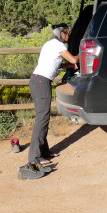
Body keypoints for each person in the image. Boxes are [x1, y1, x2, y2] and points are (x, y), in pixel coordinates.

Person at [18, 23, 79, 180]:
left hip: (38, 81)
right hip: (41, 82)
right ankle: (34, 158)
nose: (69, 36)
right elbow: (73, 58)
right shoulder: (57, 44)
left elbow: (57, 64)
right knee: (42, 118)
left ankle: (44, 152)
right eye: (68, 33)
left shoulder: (50, 44)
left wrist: (69, 65)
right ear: (62, 33)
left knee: (42, 117)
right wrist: (82, 55)